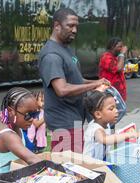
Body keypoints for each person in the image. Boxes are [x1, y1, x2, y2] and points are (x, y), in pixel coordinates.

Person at [38, 8, 110, 153]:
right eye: (70, 25)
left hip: (74, 119)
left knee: (75, 166)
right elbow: (62, 89)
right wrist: (94, 85)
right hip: (64, 123)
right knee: (69, 169)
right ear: (57, 26)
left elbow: (76, 80)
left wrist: (96, 81)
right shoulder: (52, 55)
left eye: (76, 26)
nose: (75, 30)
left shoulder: (65, 49)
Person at [83, 91, 140, 161]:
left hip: (101, 163)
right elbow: (106, 139)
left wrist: (124, 132)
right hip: (89, 167)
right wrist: (130, 134)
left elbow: (112, 137)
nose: (116, 111)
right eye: (111, 109)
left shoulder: (106, 124)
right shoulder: (95, 129)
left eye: (116, 107)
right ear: (98, 114)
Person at [99, 37, 128, 101]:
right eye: (119, 47)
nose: (121, 49)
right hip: (111, 94)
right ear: (112, 46)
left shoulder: (114, 57)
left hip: (117, 94)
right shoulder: (106, 57)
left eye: (122, 47)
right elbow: (118, 68)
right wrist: (122, 54)